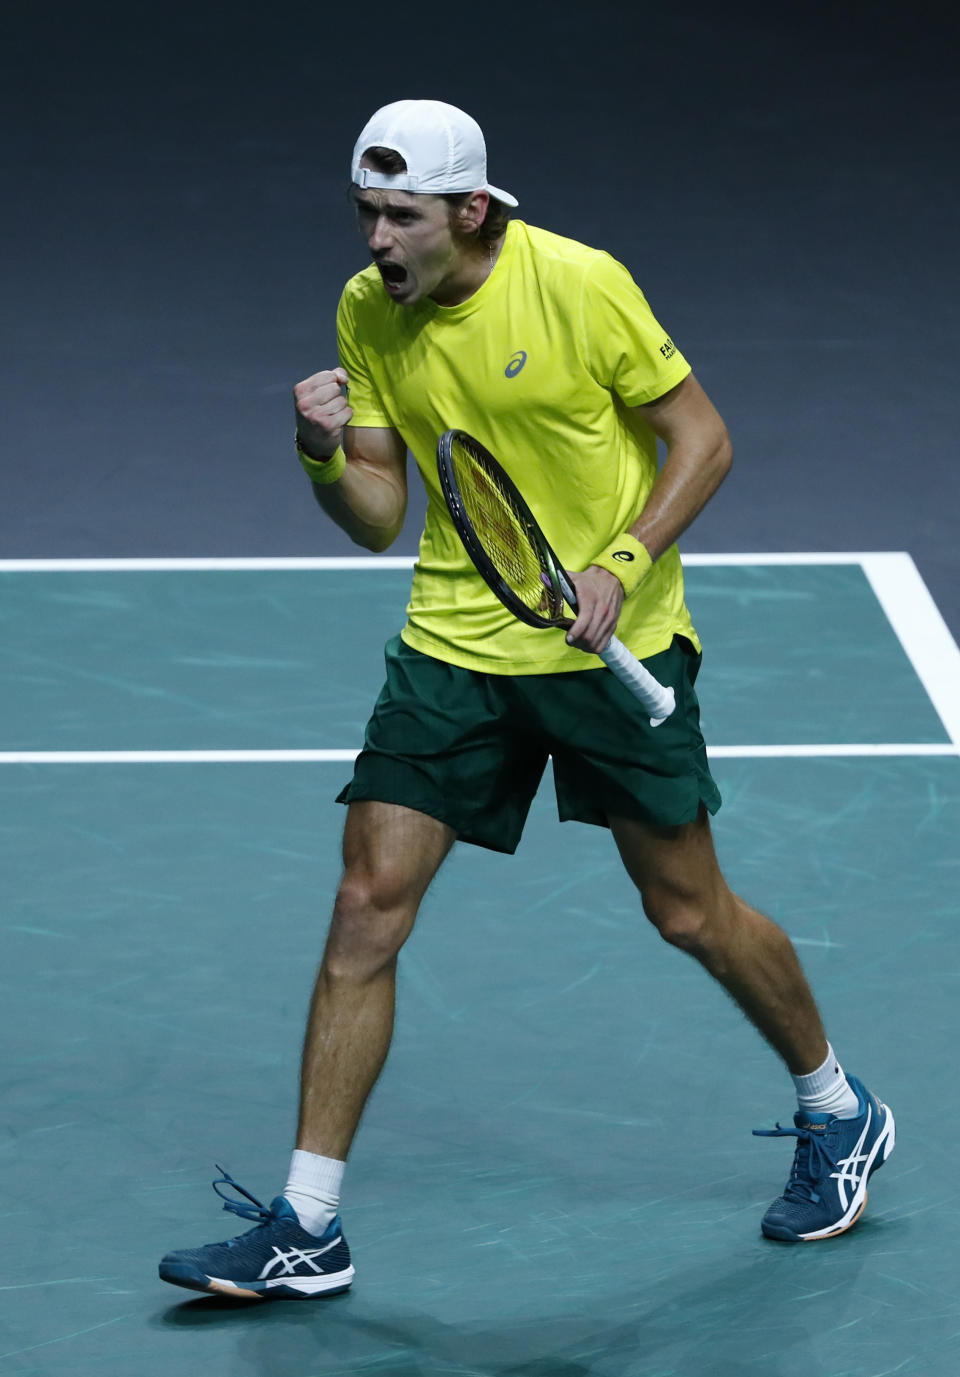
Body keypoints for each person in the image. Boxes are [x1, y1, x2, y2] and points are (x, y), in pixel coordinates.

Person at [159, 99, 894, 1300]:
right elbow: (379, 519)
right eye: (365, 213)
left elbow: (701, 439)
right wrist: (315, 454)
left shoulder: (581, 283)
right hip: (457, 642)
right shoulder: (368, 312)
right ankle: (308, 1221)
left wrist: (621, 561)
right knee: (366, 905)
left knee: (689, 913)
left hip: (615, 643)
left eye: (401, 216)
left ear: (472, 210)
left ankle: (839, 1106)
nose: (376, 240)